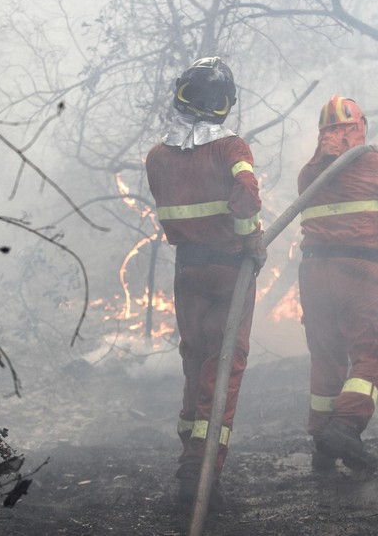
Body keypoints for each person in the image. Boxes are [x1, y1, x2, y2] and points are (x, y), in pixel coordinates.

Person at [145, 57, 267, 511]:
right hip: (229, 271)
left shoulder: (157, 156)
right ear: (225, 105)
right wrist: (251, 240)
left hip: (187, 270)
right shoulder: (232, 149)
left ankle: (188, 460)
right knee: (224, 363)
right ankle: (202, 469)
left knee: (194, 359)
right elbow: (247, 198)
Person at [297, 94, 378, 473]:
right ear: (358, 130)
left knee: (327, 357)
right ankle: (345, 426)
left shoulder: (307, 175)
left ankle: (323, 444)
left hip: (314, 273)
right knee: (374, 351)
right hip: (358, 270)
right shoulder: (374, 164)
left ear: (324, 135)